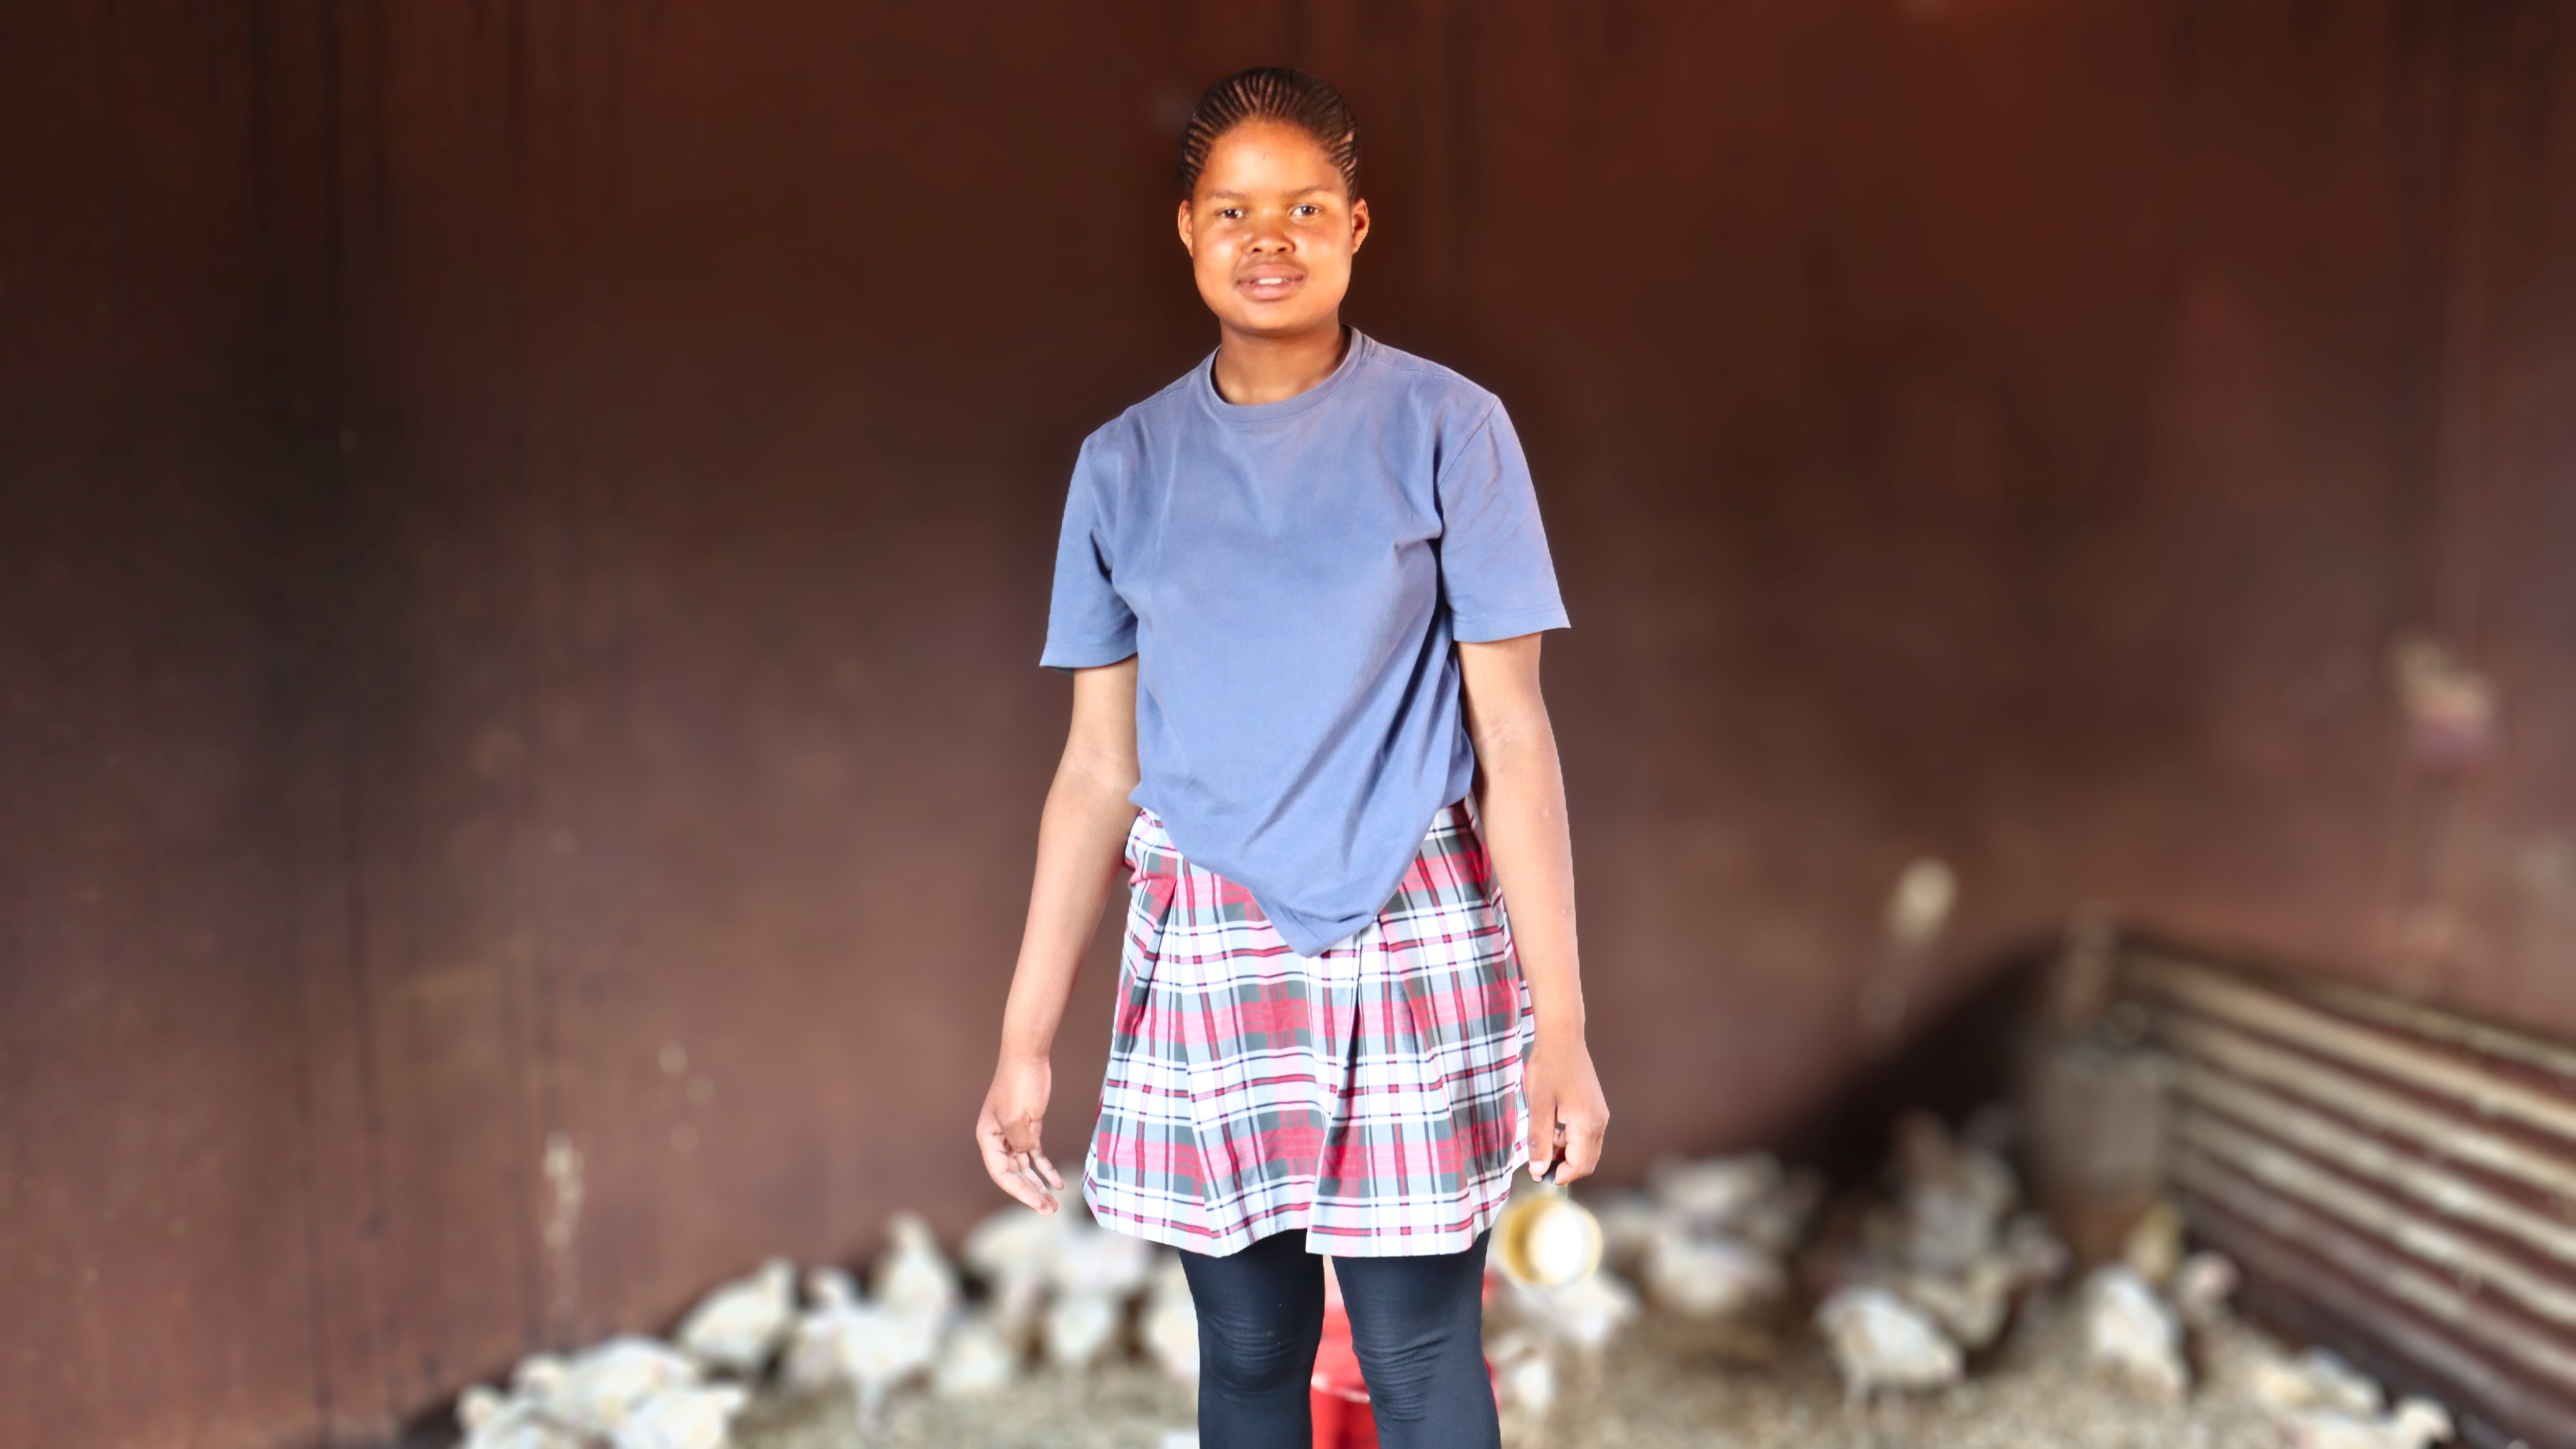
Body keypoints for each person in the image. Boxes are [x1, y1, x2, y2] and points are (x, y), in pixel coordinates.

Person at [973, 67, 1607, 1449]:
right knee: (1249, 1350)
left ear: (1359, 228)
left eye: (1306, 207)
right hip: (1209, 937)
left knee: (1418, 1348)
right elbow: (1095, 769)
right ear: (1187, 232)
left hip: (1412, 923)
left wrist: (1561, 1029)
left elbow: (1514, 735)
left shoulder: (1452, 429)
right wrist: (1024, 1044)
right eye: (1237, 210)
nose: (1272, 238)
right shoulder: (1124, 467)